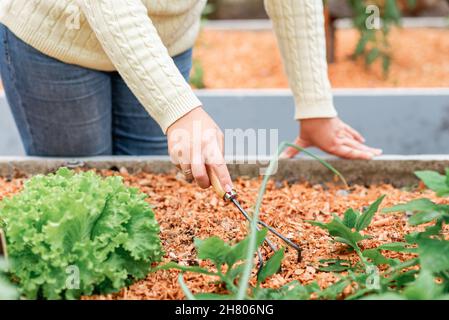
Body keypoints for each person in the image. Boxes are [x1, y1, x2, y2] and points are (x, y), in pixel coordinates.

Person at [0, 0, 381, 193]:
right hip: (55, 39)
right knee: (78, 194)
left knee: (148, 195)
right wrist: (177, 109)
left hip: (165, 39)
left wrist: (314, 106)